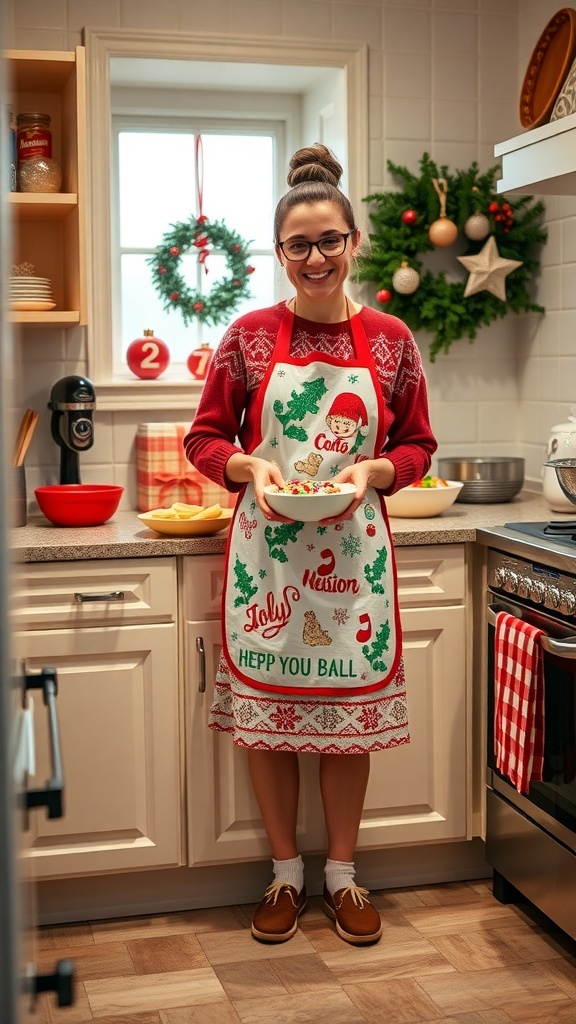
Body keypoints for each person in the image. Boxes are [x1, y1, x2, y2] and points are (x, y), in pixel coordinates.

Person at [184, 143, 437, 946]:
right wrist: (246, 464)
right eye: (300, 245)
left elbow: (421, 446)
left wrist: (377, 469)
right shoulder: (249, 337)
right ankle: (285, 876)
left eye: (330, 241)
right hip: (269, 560)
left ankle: (344, 879)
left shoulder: (392, 340)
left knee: (348, 719)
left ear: (353, 242)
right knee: (268, 718)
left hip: (353, 557)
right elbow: (202, 438)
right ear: (280, 252)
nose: (316, 257)